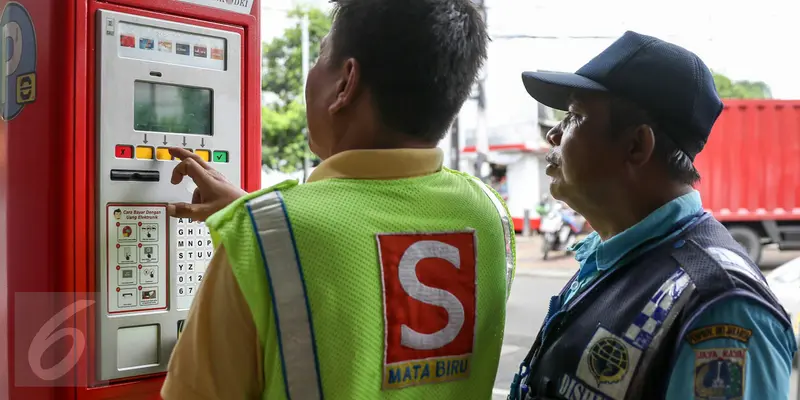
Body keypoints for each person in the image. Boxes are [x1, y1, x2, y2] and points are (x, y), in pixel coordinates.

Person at [160, 0, 515, 399]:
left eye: (319, 57)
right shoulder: (488, 214)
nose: (311, 74)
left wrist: (257, 227)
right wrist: (257, 216)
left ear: (345, 83)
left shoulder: (261, 238)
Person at [509, 31, 797, 400]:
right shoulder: (612, 254)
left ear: (636, 145)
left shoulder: (722, 306)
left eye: (575, 117)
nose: (553, 134)